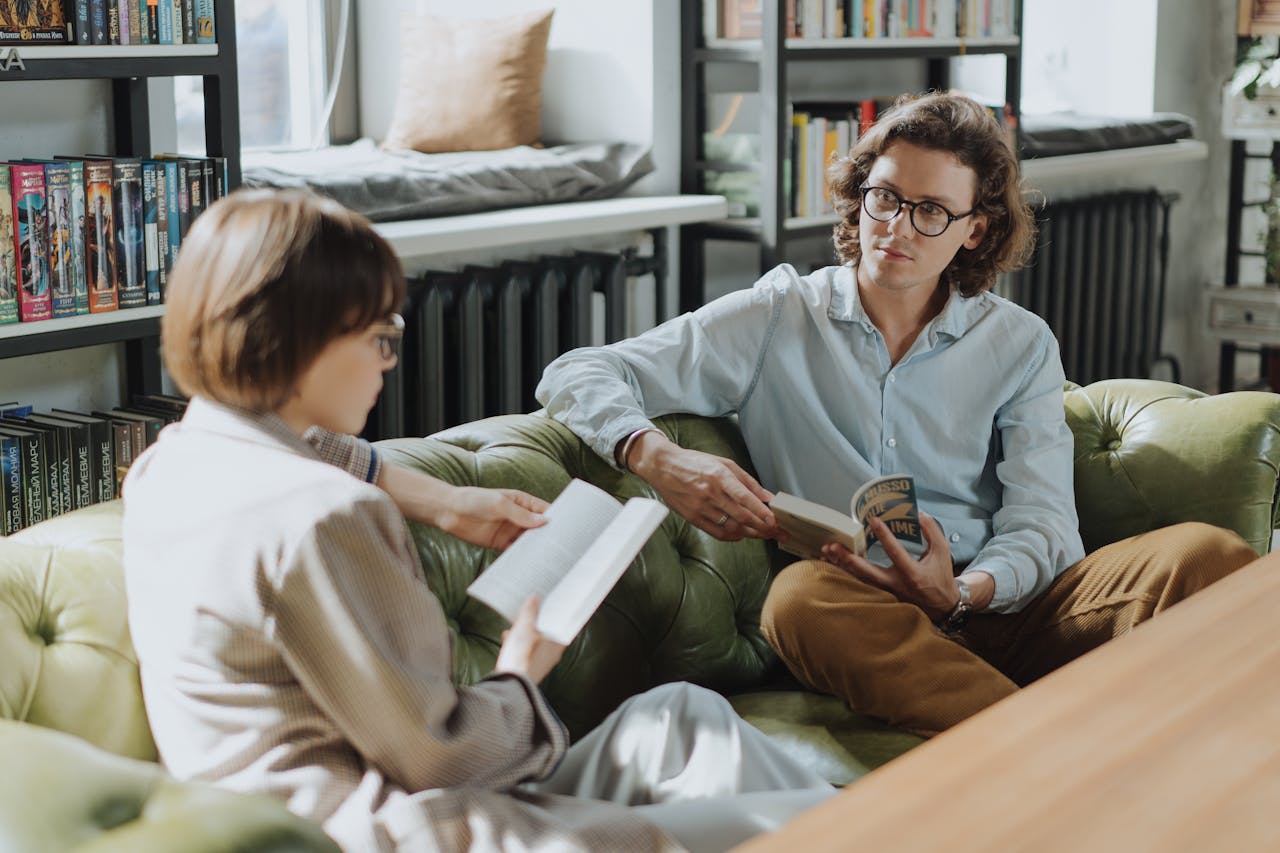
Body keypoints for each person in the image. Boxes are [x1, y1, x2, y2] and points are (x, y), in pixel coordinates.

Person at [122, 189, 831, 853]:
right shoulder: (324, 520)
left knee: (682, 715)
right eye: (378, 336)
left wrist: (446, 499)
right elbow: (440, 753)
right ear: (297, 341)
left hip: (357, 799)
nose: (386, 362)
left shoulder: (170, 464)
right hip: (389, 827)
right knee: (809, 824)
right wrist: (524, 669)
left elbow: (319, 446)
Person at [535, 92, 1257, 738]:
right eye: (884, 197)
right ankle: (1049, 747)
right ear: (860, 196)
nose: (898, 228)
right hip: (868, 616)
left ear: (975, 230)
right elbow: (579, 369)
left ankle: (1045, 733)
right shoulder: (778, 316)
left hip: (1007, 606)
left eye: (931, 211)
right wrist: (656, 456)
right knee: (796, 599)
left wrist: (967, 590)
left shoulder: (1018, 343)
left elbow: (1044, 526)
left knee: (1206, 555)